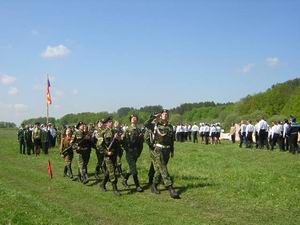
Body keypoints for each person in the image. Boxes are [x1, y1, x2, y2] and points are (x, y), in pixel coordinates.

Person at [144, 109, 180, 199]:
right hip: (158, 149)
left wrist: (172, 151)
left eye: (166, 114)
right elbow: (146, 124)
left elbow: (171, 140)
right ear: (160, 115)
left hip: (167, 150)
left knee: (159, 170)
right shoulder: (155, 125)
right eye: (163, 114)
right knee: (163, 168)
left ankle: (153, 185)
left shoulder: (170, 127)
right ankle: (170, 188)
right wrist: (153, 116)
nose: (165, 115)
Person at [99, 117, 122, 196]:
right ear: (106, 124)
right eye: (109, 122)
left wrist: (118, 139)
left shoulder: (115, 131)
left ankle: (102, 184)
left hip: (115, 154)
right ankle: (115, 188)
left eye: (111, 121)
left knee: (109, 171)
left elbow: (118, 143)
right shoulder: (103, 133)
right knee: (112, 172)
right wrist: (106, 152)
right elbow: (99, 145)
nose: (111, 123)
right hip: (107, 155)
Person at [122, 114, 144, 192]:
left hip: (136, 152)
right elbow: (124, 142)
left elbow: (141, 143)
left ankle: (125, 179)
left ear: (137, 120)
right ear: (130, 120)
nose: (134, 119)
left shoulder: (139, 130)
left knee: (131, 168)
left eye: (135, 118)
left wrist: (139, 152)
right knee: (134, 169)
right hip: (129, 152)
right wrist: (127, 149)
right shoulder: (127, 130)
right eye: (132, 118)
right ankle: (137, 186)